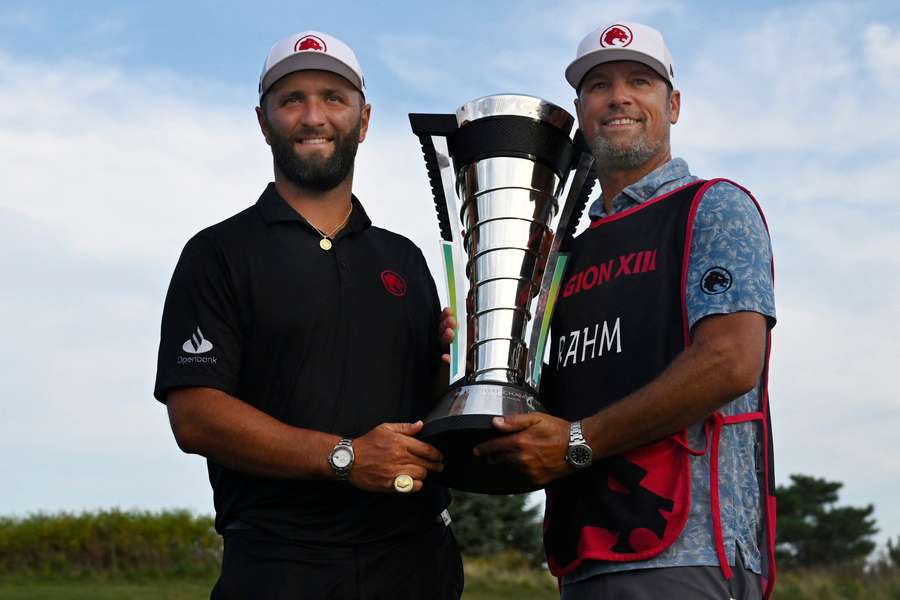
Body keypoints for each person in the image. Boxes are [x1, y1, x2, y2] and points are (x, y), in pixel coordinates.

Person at [466, 21, 777, 599]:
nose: (619, 97)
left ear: (673, 104)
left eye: (640, 80)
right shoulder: (567, 255)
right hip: (583, 550)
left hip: (688, 550)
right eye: (599, 85)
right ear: (582, 110)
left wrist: (578, 441)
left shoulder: (712, 207)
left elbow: (732, 361)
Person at [154, 30, 463, 600]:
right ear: (263, 120)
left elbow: (426, 414)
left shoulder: (404, 259)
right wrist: (345, 457)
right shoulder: (219, 253)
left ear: (363, 120)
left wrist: (462, 363)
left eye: (333, 98)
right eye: (292, 99)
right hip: (278, 566)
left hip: (416, 563)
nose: (313, 115)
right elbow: (195, 414)